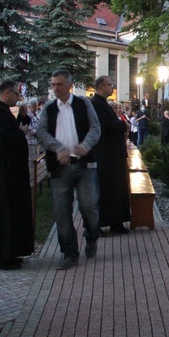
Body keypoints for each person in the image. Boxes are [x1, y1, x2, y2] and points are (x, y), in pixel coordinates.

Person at [37, 69, 102, 270]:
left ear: (69, 85)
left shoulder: (83, 104)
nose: (56, 88)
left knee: (89, 206)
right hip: (59, 167)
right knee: (62, 212)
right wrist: (57, 148)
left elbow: (95, 127)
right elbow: (41, 131)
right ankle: (69, 252)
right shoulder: (49, 108)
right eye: (53, 84)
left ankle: (91, 235)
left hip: (85, 165)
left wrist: (85, 146)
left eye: (60, 84)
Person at [0, 80, 34, 270]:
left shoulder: (0, 111)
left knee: (11, 209)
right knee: (4, 209)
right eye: (17, 93)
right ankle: (2, 255)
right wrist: (21, 132)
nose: (18, 97)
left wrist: (19, 126)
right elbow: (4, 138)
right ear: (7, 93)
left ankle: (10, 251)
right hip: (3, 169)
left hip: (8, 167)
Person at [91, 75, 131, 235]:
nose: (112, 87)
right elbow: (105, 126)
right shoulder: (96, 105)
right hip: (105, 155)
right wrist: (123, 124)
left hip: (113, 154)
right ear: (101, 87)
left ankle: (116, 221)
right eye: (110, 85)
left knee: (117, 188)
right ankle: (99, 223)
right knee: (105, 189)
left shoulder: (104, 105)